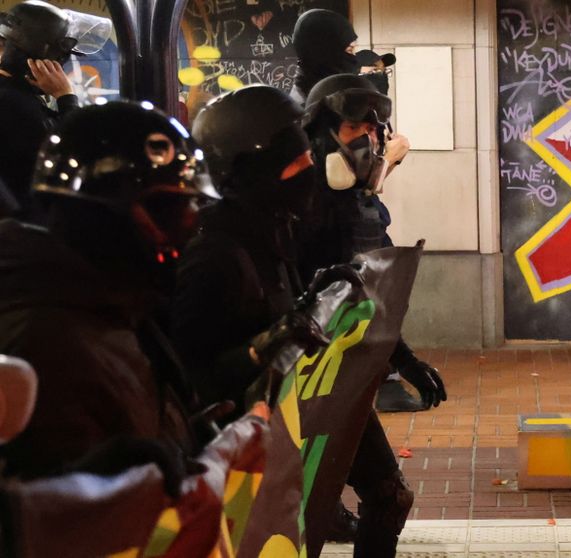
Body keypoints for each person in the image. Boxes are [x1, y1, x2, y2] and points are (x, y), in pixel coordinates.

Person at [173, 84, 363, 545]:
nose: (309, 178)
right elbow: (190, 382)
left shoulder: (269, 231)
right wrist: (263, 348)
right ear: (247, 174)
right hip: (227, 482)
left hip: (271, 455)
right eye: (295, 168)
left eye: (310, 165)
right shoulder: (214, 255)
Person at [0, 100, 220, 480]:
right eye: (166, 213)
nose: (184, 233)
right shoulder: (43, 341)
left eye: (190, 211)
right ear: (97, 210)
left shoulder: (118, 307)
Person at [302, 73, 446, 414]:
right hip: (304, 382)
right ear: (323, 138)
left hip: (341, 378)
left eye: (371, 131)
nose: (366, 142)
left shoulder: (360, 207)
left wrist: (403, 361)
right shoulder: (299, 210)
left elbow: (370, 297)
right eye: (354, 129)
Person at [0, 0, 81, 219]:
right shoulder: (15, 104)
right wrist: (66, 97)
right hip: (28, 235)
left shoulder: (14, 96)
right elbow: (75, 156)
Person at [289, 8, 359, 104]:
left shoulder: (331, 97)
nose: (355, 60)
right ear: (325, 51)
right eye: (349, 50)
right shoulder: (302, 111)